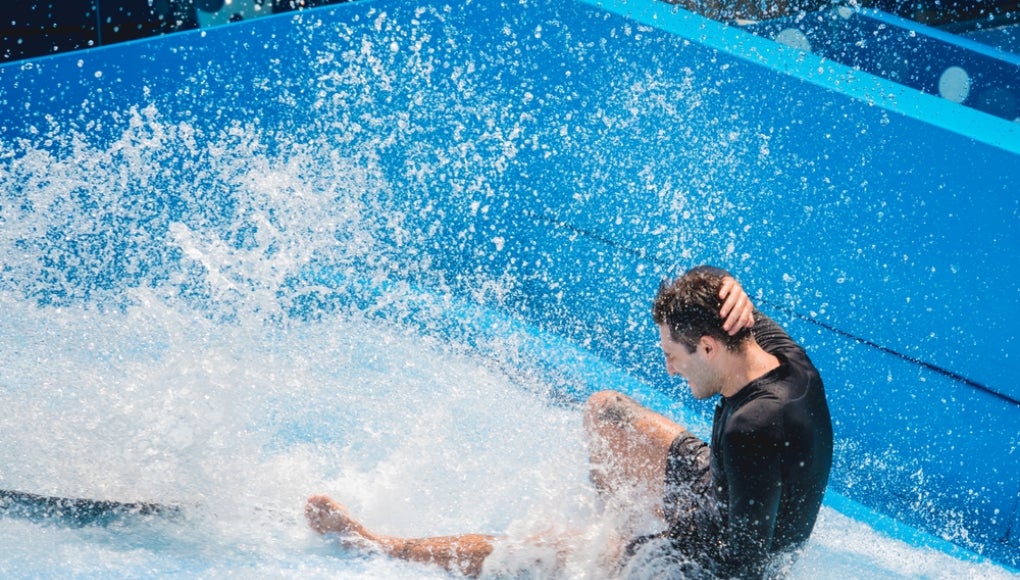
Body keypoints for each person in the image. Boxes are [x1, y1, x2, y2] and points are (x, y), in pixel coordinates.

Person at [306, 266, 833, 578]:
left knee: (551, 550)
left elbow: (743, 568)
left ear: (711, 345)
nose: (668, 367)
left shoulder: (752, 430)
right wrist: (729, 282)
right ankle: (613, 525)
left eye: (674, 355)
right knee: (606, 411)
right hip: (723, 486)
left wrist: (639, 553)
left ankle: (382, 545)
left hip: (714, 560)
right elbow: (727, 300)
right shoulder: (782, 356)